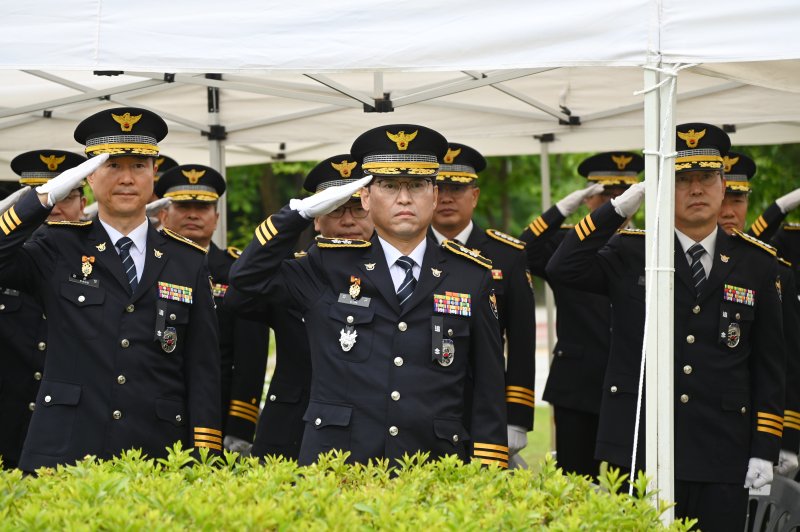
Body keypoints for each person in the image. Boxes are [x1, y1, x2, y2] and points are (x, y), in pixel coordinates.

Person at [546, 123, 785, 530]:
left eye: (706, 177)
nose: (695, 189)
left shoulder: (756, 265)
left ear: (723, 183)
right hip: (641, 448)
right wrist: (619, 207)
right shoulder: (630, 252)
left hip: (722, 451)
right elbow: (561, 267)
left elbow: (769, 367)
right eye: (680, 179)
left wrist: (765, 449)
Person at [228, 124, 508, 467]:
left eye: (417, 186)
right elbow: (245, 280)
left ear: (434, 196)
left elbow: (489, 388)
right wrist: (299, 213)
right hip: (338, 464)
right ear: (365, 196)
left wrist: (490, 471)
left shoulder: (470, 276)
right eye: (389, 186)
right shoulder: (326, 266)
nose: (404, 198)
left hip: (433, 465)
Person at [0, 107, 222, 470]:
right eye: (112, 166)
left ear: (154, 175)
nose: (126, 178)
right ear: (88, 177)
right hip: (66, 446)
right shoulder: (57, 247)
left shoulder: (187, 260)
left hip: (157, 448)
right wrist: (41, 199)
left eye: (138, 166)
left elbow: (203, 369)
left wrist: (204, 457)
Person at [225, 154, 374, 460]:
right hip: (292, 427)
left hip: (366, 426)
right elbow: (240, 289)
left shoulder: (390, 274)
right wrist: (296, 214)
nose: (347, 220)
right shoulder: (294, 273)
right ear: (317, 218)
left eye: (358, 209)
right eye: (334, 209)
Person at [519, 151, 643, 478]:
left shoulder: (645, 245)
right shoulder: (566, 242)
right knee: (575, 481)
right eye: (605, 195)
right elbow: (522, 252)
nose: (614, 202)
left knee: (631, 484)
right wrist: (559, 211)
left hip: (630, 382)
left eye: (622, 195)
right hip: (578, 381)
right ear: (589, 199)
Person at [430, 143, 536, 462]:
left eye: (457, 188)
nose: (447, 198)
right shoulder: (411, 251)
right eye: (439, 188)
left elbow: (521, 342)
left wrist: (516, 416)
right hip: (424, 398)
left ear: (474, 196)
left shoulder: (507, 255)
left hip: (481, 401)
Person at [155, 164, 270, 455]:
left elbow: (251, 358)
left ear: (217, 218)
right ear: (163, 214)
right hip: (152, 409)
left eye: (203, 207)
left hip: (216, 417)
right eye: (183, 206)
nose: (193, 214)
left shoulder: (236, 272)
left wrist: (240, 426)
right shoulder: (145, 268)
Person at [0, 150, 87, 469]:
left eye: (66, 195)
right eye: (47, 196)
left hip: (69, 434)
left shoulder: (99, 263)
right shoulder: (8, 262)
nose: (55, 207)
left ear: (82, 202)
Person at [718, 151, 800, 478]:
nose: (727, 210)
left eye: (736, 199)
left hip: (754, 431)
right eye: (722, 198)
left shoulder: (775, 271)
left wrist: (785, 438)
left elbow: (785, 363)